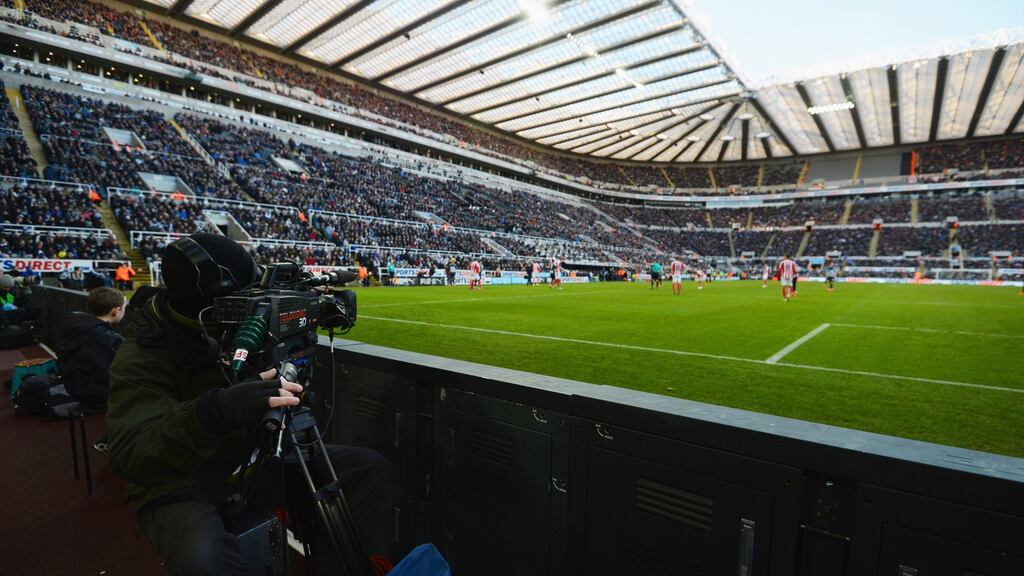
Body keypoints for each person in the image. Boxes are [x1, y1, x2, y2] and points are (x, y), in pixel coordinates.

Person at [106, 233, 388, 576]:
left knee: (366, 469)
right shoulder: (142, 353)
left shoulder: (235, 325)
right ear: (214, 305)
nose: (259, 301)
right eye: (247, 296)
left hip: (251, 462)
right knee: (203, 561)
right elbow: (131, 451)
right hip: (181, 483)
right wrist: (214, 411)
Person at [57, 287, 126, 410]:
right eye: (124, 308)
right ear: (116, 311)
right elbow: (113, 372)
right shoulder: (103, 337)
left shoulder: (77, 325)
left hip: (74, 384)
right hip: (91, 392)